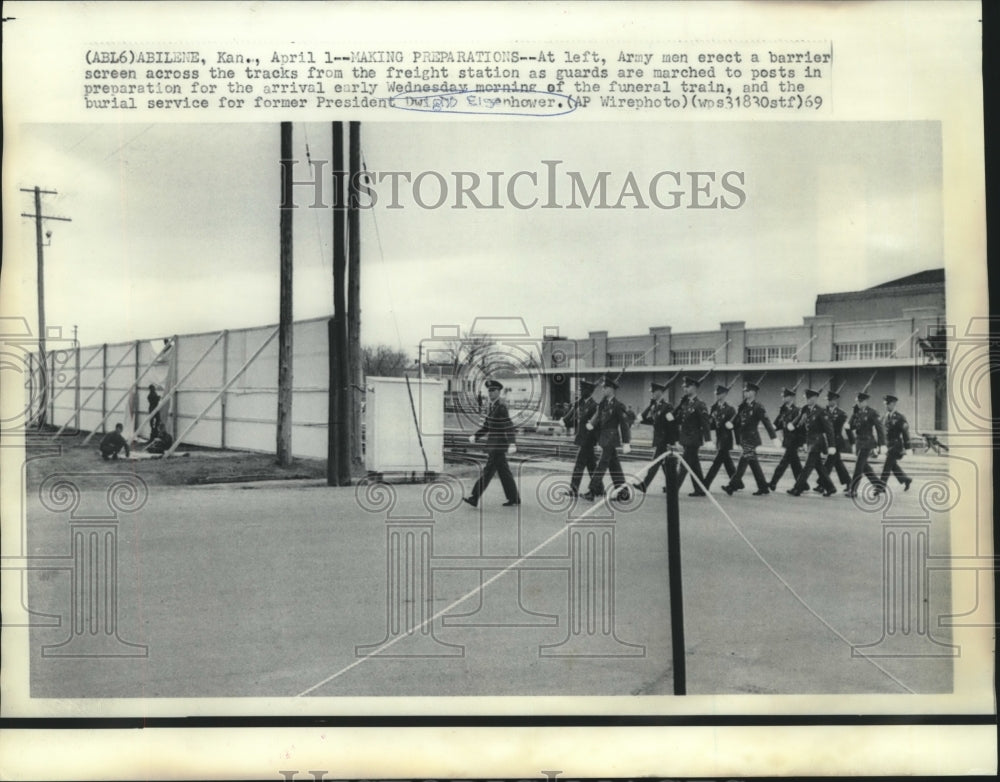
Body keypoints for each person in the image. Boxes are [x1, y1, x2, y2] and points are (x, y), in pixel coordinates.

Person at [464, 379, 520, 508]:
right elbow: (487, 427)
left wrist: (512, 443)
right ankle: (514, 498)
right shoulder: (492, 406)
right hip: (495, 445)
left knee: (488, 471)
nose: (490, 393)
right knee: (504, 472)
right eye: (489, 391)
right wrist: (476, 436)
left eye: (493, 391)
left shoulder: (501, 406)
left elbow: (508, 425)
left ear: (499, 392)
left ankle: (474, 497)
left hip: (498, 446)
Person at [582, 375, 632, 501]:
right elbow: (597, 415)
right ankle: (623, 493)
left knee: (602, 465)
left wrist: (626, 442)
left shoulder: (618, 405)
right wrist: (591, 424)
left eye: (605, 388)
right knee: (614, 466)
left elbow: (624, 425)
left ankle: (592, 491)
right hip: (604, 438)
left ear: (611, 389)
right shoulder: (603, 403)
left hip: (611, 438)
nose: (603, 390)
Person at [723, 381, 777, 495]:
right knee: (753, 462)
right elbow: (737, 418)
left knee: (743, 461)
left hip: (752, 439)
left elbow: (766, 422)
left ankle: (731, 486)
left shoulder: (758, 407)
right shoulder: (743, 406)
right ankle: (763, 487)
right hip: (744, 438)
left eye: (747, 391)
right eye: (745, 391)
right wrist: (732, 423)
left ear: (753, 392)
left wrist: (774, 437)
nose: (745, 393)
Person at [787, 389, 838, 497]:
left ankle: (797, 488)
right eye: (807, 398)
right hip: (810, 441)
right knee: (819, 466)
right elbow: (799, 417)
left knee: (808, 466)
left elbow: (829, 429)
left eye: (810, 398)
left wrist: (832, 445)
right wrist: (793, 424)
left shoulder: (821, 411)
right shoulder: (806, 409)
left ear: (815, 399)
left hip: (818, 442)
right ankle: (831, 487)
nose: (808, 400)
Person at [633, 380, 677, 493]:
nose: (652, 393)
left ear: (659, 392)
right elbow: (654, 421)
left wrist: (671, 442)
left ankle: (644, 485)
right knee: (664, 465)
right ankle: (672, 486)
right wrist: (641, 421)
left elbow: (672, 425)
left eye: (653, 392)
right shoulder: (656, 406)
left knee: (655, 463)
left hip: (664, 440)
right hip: (658, 439)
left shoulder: (667, 406)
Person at [673, 376, 712, 497]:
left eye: (688, 386)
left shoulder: (700, 404)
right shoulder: (685, 403)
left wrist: (708, 439)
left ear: (694, 388)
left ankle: (674, 489)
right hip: (685, 439)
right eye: (684, 386)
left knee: (684, 464)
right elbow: (681, 419)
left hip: (693, 440)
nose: (685, 389)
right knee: (694, 465)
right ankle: (700, 489)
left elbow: (705, 423)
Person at [561, 379, 599, 497]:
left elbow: (595, 424)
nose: (581, 392)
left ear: (589, 391)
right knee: (591, 465)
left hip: (588, 440)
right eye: (581, 389)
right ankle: (599, 488)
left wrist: (595, 440)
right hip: (582, 437)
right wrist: (565, 420)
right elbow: (575, 419)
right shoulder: (581, 403)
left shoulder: (594, 406)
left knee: (579, 464)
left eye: (583, 390)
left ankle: (574, 489)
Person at [845, 390, 885, 498]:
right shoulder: (857, 412)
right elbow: (851, 426)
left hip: (867, 443)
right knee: (864, 467)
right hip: (859, 443)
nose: (859, 403)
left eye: (861, 401)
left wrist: (882, 444)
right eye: (858, 401)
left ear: (866, 402)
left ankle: (852, 490)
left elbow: (879, 428)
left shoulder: (872, 412)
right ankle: (879, 485)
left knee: (858, 467)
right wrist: (851, 419)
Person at [703, 383, 738, 491]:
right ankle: (738, 482)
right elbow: (713, 424)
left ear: (724, 394)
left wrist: (738, 441)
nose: (717, 395)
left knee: (717, 463)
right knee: (727, 462)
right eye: (716, 393)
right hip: (719, 439)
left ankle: (706, 483)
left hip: (726, 439)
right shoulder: (715, 408)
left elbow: (735, 425)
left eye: (719, 394)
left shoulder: (730, 409)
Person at [769, 388, 805, 491]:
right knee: (795, 464)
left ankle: (773, 482)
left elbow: (800, 427)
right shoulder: (783, 410)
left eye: (785, 396)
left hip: (794, 441)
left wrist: (802, 442)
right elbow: (778, 423)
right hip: (787, 440)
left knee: (783, 463)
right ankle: (803, 484)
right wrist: (772, 428)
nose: (783, 398)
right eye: (782, 396)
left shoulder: (797, 411)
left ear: (791, 397)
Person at [818, 389, 851, 493]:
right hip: (829, 441)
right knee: (837, 463)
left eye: (830, 400)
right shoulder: (824, 411)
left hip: (837, 441)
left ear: (835, 401)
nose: (828, 402)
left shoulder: (841, 414)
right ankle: (849, 482)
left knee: (829, 462)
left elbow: (835, 427)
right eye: (827, 400)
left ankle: (822, 484)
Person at [879, 394, 913, 492]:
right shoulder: (885, 416)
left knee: (887, 466)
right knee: (892, 465)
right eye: (885, 404)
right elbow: (882, 432)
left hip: (896, 446)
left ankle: (881, 487)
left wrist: (908, 447)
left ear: (893, 404)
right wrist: (881, 445)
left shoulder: (900, 417)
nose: (886, 406)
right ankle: (906, 479)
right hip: (888, 446)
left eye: (888, 404)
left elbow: (905, 433)